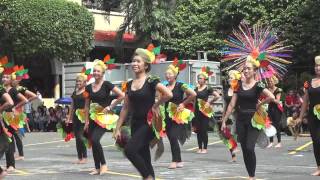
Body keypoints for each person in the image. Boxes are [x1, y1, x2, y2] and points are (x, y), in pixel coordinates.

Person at [115, 46, 172, 179]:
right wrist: (117, 128)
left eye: (138, 61)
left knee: (130, 150)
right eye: (133, 61)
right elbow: (125, 108)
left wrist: (156, 105)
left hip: (148, 124)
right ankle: (149, 176)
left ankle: (147, 177)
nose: (134, 64)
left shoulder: (151, 81)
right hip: (135, 124)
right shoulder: (129, 84)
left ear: (146, 65)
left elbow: (168, 94)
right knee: (145, 157)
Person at [221, 60, 275, 179]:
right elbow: (231, 104)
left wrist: (260, 104)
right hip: (240, 119)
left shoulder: (259, 85)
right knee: (245, 149)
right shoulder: (237, 85)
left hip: (254, 120)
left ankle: (252, 175)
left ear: (255, 71)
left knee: (250, 147)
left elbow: (271, 96)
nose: (246, 70)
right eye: (244, 68)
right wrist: (224, 120)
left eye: (249, 68)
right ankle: (250, 175)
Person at [84, 59, 125, 175]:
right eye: (94, 71)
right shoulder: (87, 87)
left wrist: (111, 106)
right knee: (92, 141)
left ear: (102, 73)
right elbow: (86, 105)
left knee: (96, 139)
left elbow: (122, 95)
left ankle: (104, 165)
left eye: (98, 71)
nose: (96, 73)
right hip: (92, 117)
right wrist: (86, 121)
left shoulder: (107, 84)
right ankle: (97, 167)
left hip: (104, 117)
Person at [163, 59, 196, 169]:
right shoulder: (164, 87)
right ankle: (179, 160)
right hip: (167, 115)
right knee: (171, 138)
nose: (167, 76)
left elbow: (193, 94)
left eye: (170, 74)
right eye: (166, 74)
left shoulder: (181, 85)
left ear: (175, 75)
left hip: (177, 115)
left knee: (173, 136)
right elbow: (160, 100)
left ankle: (174, 160)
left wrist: (183, 103)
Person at [2, 66, 28, 172]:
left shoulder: (12, 90)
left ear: (11, 79)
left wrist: (15, 107)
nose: (4, 78)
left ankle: (11, 165)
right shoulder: (1, 89)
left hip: (9, 117)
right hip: (1, 116)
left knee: (9, 140)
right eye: (3, 76)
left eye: (7, 77)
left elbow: (25, 100)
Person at [297, 56, 320, 176]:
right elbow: (305, 101)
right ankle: (319, 167)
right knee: (316, 141)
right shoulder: (308, 82)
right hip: (312, 115)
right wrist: (301, 117)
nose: (318, 68)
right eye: (316, 66)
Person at [11, 65, 37, 160]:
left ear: (18, 80)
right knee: (10, 133)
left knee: (17, 134)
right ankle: (13, 153)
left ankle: (21, 154)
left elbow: (34, 96)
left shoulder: (21, 89)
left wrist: (23, 103)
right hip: (10, 113)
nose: (12, 81)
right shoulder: (10, 89)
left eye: (14, 79)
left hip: (17, 112)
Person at [193, 66, 220, 154]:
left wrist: (209, 102)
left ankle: (205, 148)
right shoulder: (196, 88)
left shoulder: (208, 88)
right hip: (197, 111)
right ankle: (199, 147)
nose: (199, 80)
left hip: (204, 111)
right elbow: (193, 99)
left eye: (201, 78)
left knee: (204, 130)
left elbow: (217, 96)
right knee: (198, 130)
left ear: (205, 80)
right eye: (198, 78)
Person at [67, 67, 90, 164]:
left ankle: (85, 157)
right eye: (77, 81)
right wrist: (69, 118)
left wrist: (86, 120)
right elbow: (72, 106)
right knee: (77, 138)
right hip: (76, 117)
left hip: (83, 117)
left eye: (80, 81)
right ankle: (79, 157)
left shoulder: (86, 92)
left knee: (81, 137)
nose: (78, 83)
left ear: (85, 82)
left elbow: (87, 106)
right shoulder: (74, 93)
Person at [266, 76, 283, 148]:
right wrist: (268, 98)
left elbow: (277, 101)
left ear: (274, 82)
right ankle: (271, 142)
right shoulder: (268, 90)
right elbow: (266, 100)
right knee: (269, 125)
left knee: (276, 125)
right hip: (270, 108)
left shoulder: (278, 90)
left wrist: (271, 98)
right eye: (269, 81)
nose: (270, 82)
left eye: (271, 81)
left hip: (276, 109)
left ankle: (279, 142)